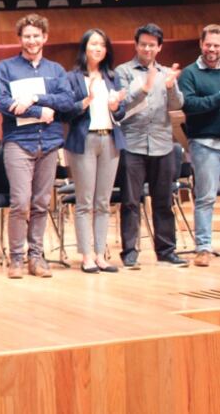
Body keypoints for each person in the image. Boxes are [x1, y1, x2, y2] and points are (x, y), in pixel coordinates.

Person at [0, 13, 73, 279]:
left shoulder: (56, 70)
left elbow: (66, 101)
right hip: (18, 143)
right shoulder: (6, 68)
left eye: (36, 35)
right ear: (20, 38)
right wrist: (40, 111)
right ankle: (16, 258)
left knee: (40, 203)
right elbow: (2, 102)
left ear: (45, 38)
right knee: (20, 203)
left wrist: (35, 99)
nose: (32, 40)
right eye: (27, 36)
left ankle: (35, 257)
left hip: (49, 142)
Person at [115, 23, 186, 268]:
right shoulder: (123, 72)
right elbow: (121, 107)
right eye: (143, 44)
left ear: (159, 48)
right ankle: (130, 252)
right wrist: (145, 88)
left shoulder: (167, 73)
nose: (147, 48)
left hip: (162, 143)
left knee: (163, 200)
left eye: (152, 45)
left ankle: (166, 251)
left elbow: (176, 104)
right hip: (132, 143)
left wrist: (170, 86)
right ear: (136, 45)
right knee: (131, 201)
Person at [63, 29, 126, 273]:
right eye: (93, 44)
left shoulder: (112, 76)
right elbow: (66, 113)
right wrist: (85, 102)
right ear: (84, 48)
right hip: (84, 141)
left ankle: (101, 254)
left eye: (102, 44)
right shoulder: (73, 78)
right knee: (85, 202)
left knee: (103, 201)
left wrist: (115, 107)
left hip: (109, 139)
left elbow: (120, 114)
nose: (98, 48)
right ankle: (86, 256)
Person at [178, 24, 220, 267]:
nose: (212, 49)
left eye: (216, 45)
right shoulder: (190, 73)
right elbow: (190, 105)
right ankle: (203, 248)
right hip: (204, 142)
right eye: (209, 44)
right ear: (200, 44)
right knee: (205, 197)